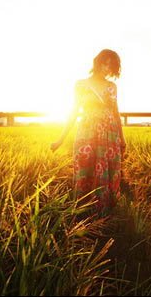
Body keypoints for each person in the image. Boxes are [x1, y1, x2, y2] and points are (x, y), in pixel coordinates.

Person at [51, 49, 126, 216]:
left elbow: (116, 113)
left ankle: (104, 214)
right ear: (97, 62)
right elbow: (73, 111)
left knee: (107, 171)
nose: (106, 68)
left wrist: (122, 138)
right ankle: (83, 213)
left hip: (109, 134)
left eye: (110, 65)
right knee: (85, 167)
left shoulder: (112, 87)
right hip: (86, 132)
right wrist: (60, 139)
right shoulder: (81, 85)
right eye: (104, 63)